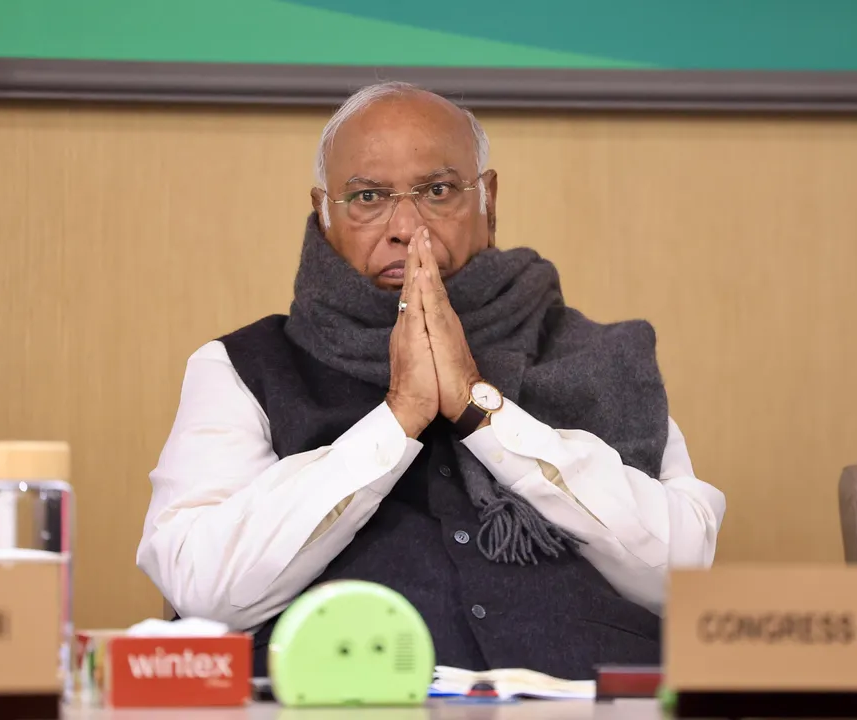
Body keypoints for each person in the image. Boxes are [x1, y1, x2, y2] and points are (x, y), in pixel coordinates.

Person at [137, 81, 726, 679]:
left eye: (438, 191)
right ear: (324, 212)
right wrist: (398, 418)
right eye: (368, 197)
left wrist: (480, 410)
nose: (406, 226)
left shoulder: (602, 358)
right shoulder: (242, 366)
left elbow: (680, 573)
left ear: (488, 200)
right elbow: (203, 587)